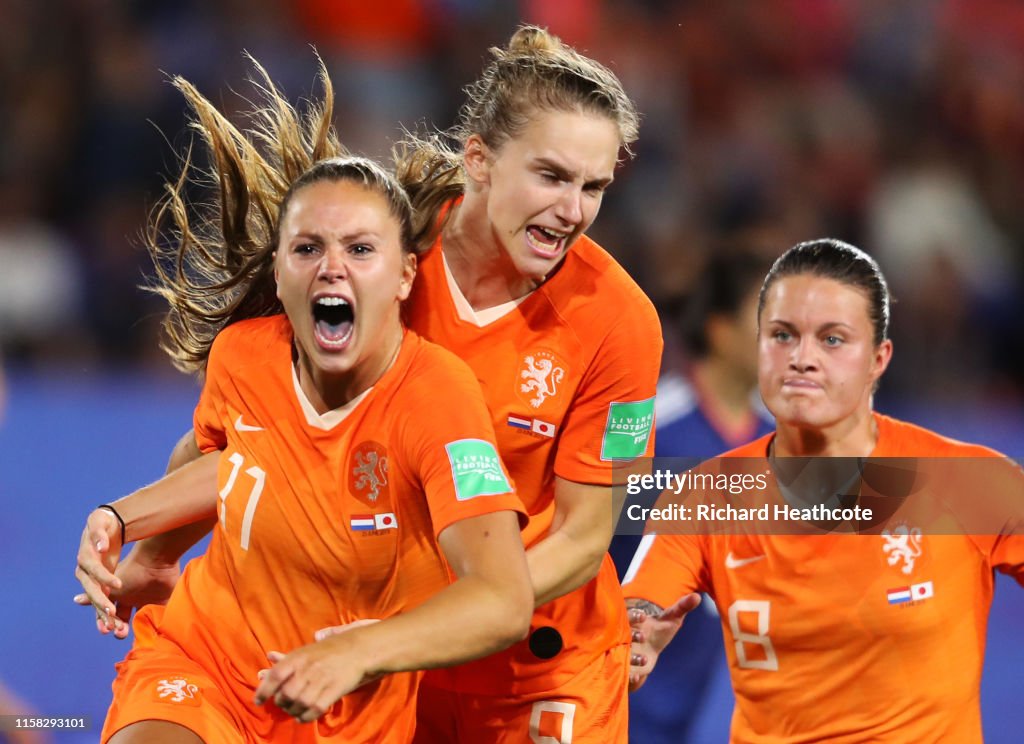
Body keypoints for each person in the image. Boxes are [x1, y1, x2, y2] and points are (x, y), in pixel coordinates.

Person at [80, 26, 661, 743]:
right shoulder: (381, 251)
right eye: (551, 176)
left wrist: (435, 617)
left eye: (593, 186)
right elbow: (254, 438)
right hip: (379, 662)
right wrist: (154, 550)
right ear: (478, 158)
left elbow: (584, 536)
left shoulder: (622, 321)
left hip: (535, 666)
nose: (573, 210)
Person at [622, 239, 1024, 742]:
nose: (802, 358)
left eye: (832, 339)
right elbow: (640, 605)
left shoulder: (966, 483)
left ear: (878, 359)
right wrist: (639, 635)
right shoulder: (709, 494)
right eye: (782, 335)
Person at [608, 250, 774, 743]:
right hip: (606, 708)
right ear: (721, 331)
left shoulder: (779, 450)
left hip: (692, 718)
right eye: (769, 321)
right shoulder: (645, 427)